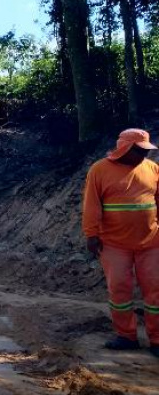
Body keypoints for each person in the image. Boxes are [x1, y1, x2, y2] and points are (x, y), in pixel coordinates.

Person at [83, 128, 159, 357]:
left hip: (152, 241)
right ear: (124, 148)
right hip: (114, 244)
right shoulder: (100, 170)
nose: (144, 155)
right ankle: (126, 336)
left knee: (156, 291)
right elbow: (91, 204)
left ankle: (157, 340)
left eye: (146, 151)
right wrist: (91, 234)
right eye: (139, 150)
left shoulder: (153, 169)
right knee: (119, 290)